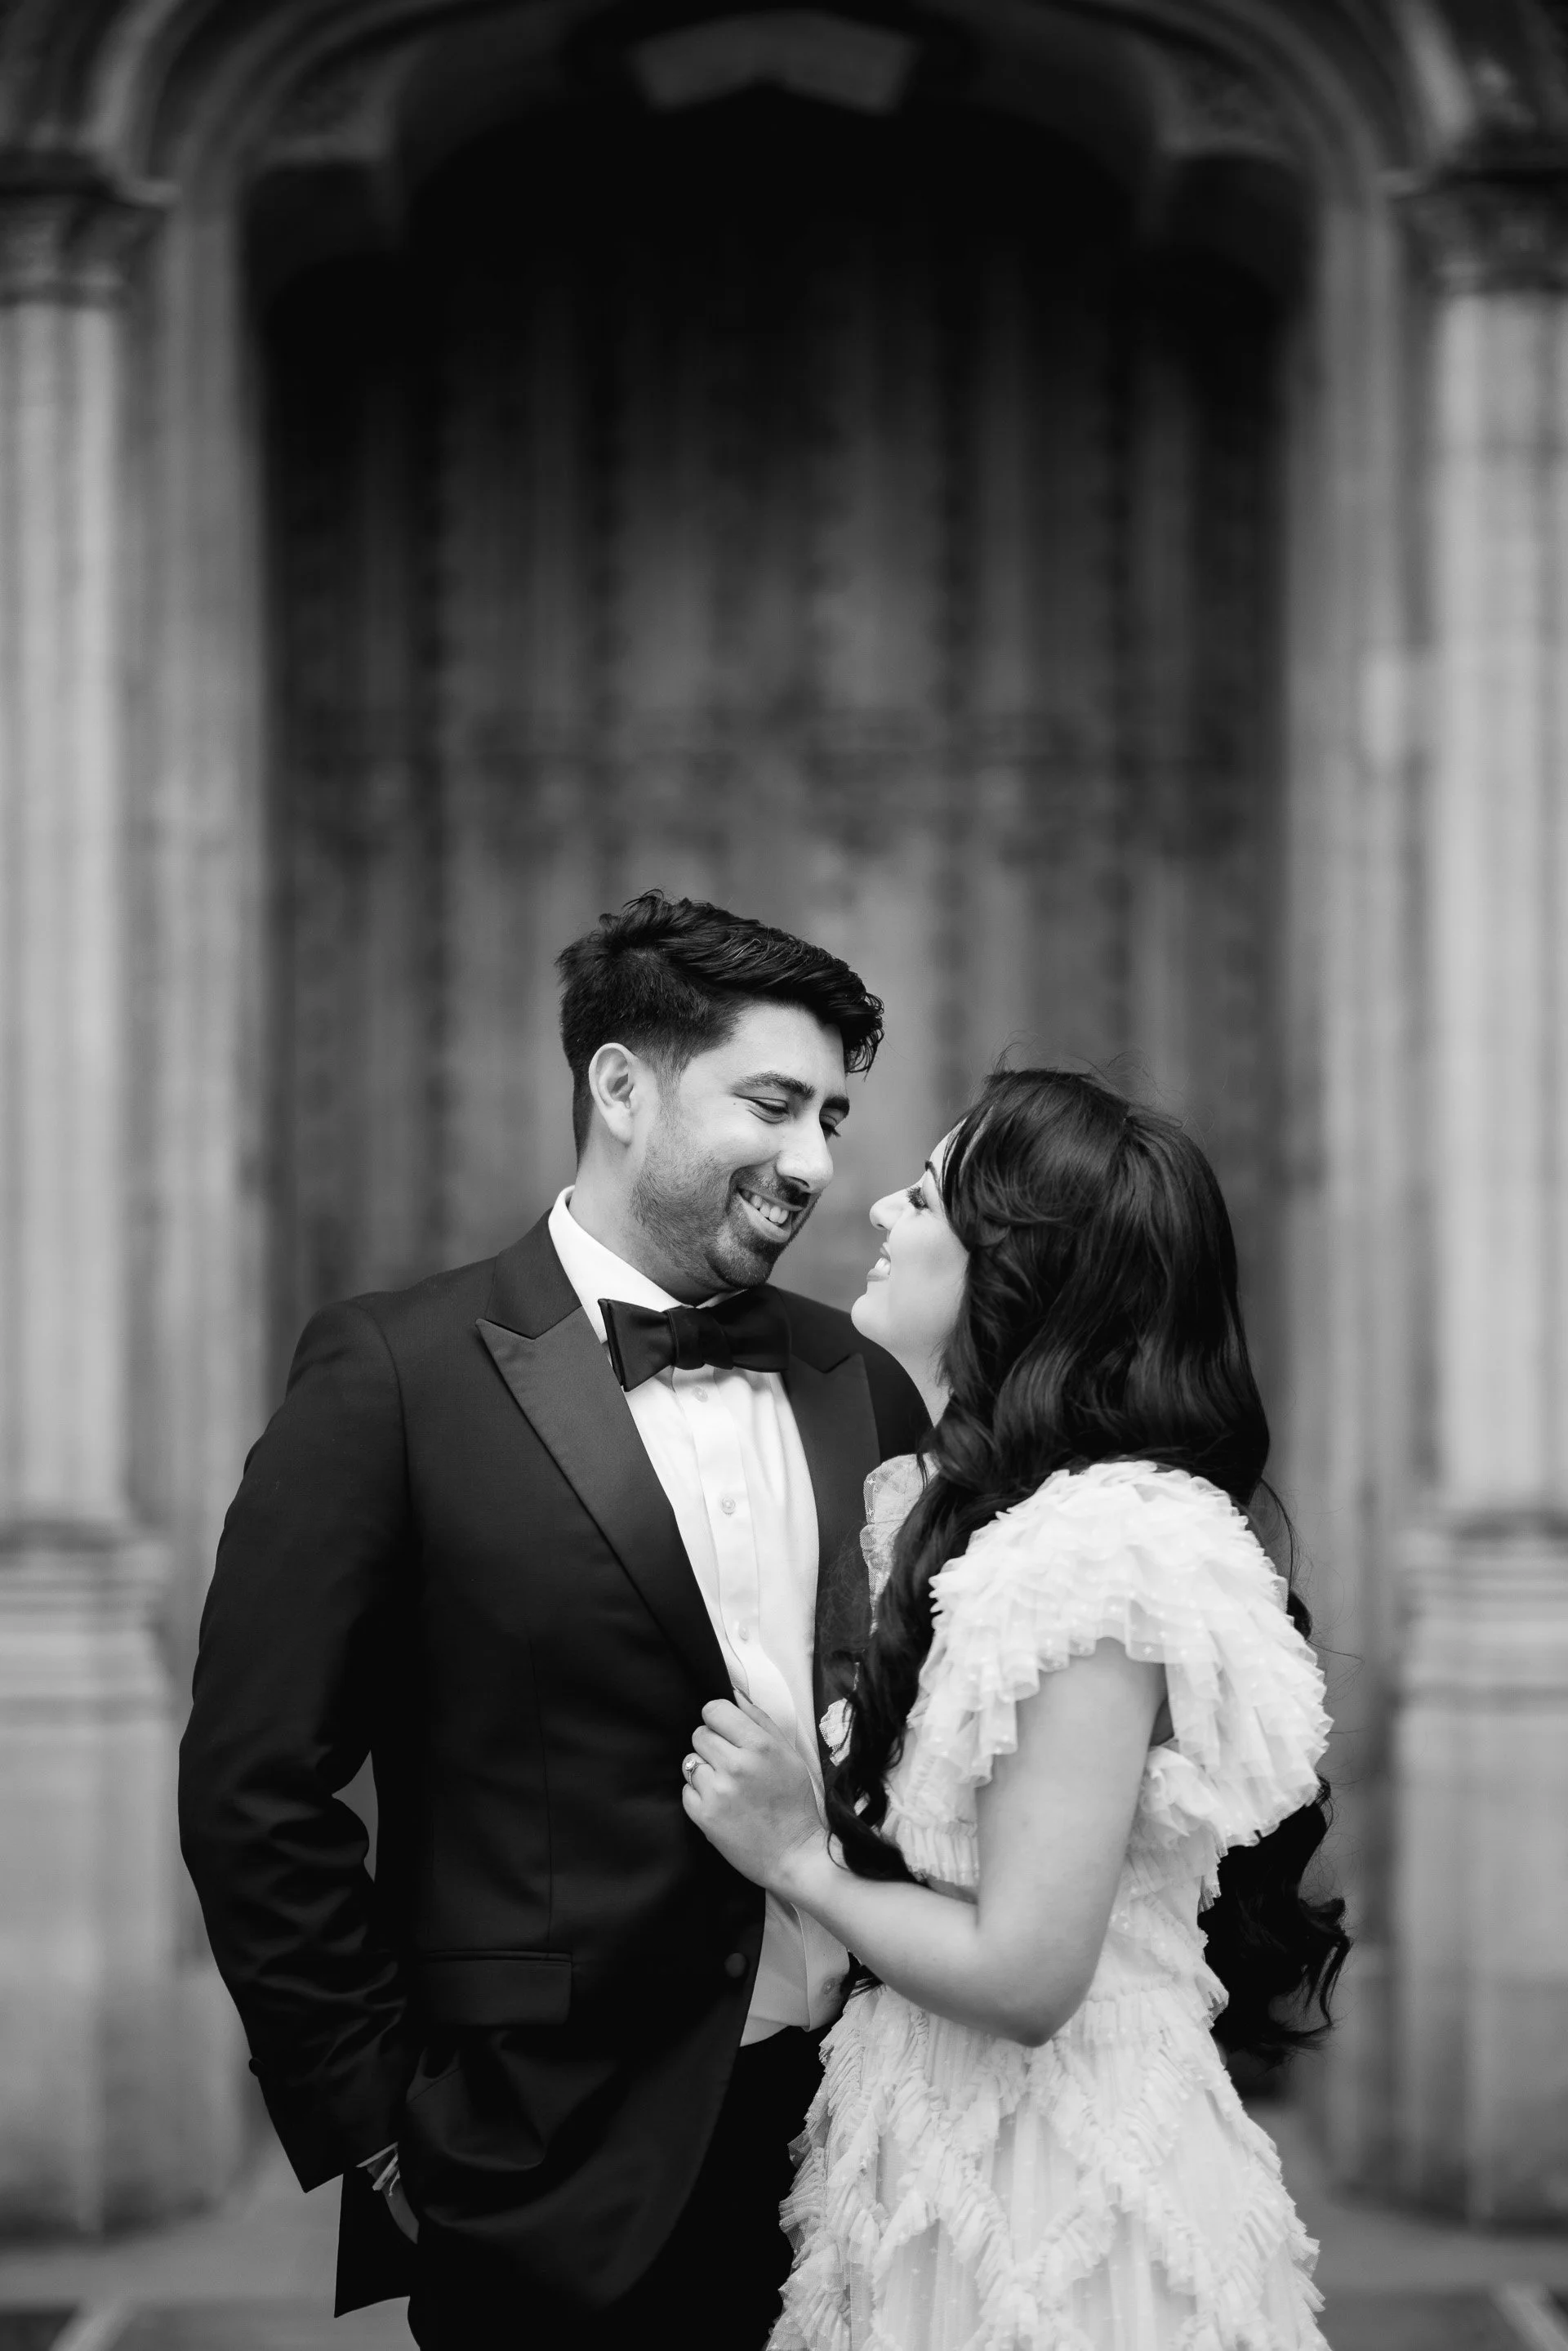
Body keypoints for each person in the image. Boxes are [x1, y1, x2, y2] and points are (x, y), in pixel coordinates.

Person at [177, 890, 929, 2350]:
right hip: (534, 2170)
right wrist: (385, 2137)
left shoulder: (860, 1383)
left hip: (862, 2152)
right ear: (622, 1083)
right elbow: (255, 1782)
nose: (816, 1163)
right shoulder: (393, 1375)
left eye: (834, 1114)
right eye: (774, 1103)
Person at [683, 1068, 1351, 2351]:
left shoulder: (1096, 1559)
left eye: (926, 1193)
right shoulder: (952, 1521)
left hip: (1064, 2179)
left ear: (1013, 1272)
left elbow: (1029, 1973)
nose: (878, 1206)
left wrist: (793, 1860)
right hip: (932, 2141)